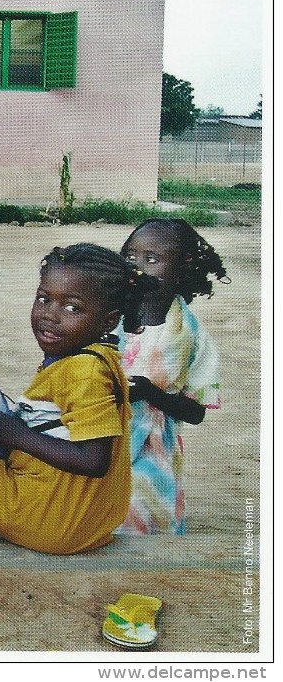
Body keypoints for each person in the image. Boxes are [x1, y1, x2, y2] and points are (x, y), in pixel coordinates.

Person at [0, 243, 158, 555]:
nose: (50, 316)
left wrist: (18, 436)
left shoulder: (85, 371)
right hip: (88, 525)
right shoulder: (93, 359)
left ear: (108, 321)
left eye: (72, 308)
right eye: (43, 299)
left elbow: (94, 460)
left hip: (51, 524)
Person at [115, 219, 229, 535]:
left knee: (138, 517)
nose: (137, 267)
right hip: (93, 432)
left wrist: (153, 394)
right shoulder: (104, 314)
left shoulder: (191, 337)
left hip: (151, 450)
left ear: (182, 268)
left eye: (151, 259)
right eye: (130, 256)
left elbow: (195, 413)